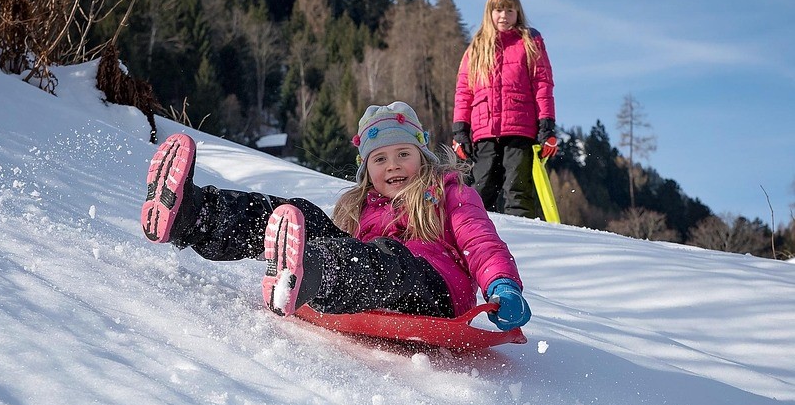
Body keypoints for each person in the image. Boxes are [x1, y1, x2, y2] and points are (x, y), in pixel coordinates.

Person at [140, 101, 531, 331]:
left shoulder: (447, 192)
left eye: (403, 155)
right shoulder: (360, 206)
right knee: (300, 214)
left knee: (386, 260)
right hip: (371, 277)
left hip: (436, 290)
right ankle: (194, 214)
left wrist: (501, 285)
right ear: (366, 168)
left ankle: (308, 273)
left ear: (422, 156)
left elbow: (481, 241)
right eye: (380, 159)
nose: (393, 166)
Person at [452, 0, 558, 218]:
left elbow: (543, 84)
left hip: (521, 129)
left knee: (517, 188)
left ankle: (522, 236)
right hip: (484, 131)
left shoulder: (529, 42)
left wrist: (547, 126)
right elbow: (464, 91)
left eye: (510, 10)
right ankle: (477, 235)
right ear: (489, 13)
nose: (504, 15)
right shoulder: (477, 47)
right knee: (482, 188)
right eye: (498, 10)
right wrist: (460, 131)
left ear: (518, 13)